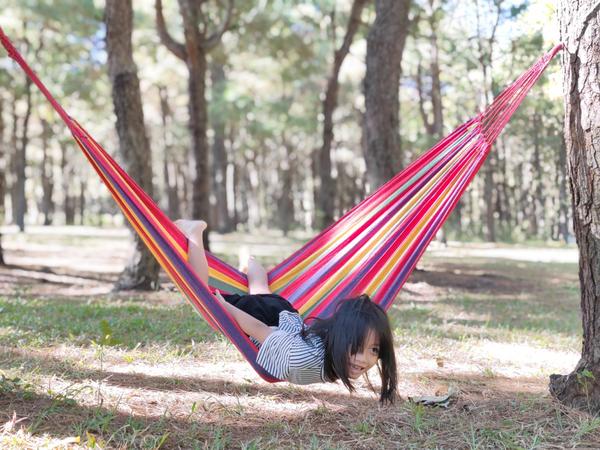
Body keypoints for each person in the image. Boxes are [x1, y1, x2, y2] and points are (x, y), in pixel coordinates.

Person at [175, 219, 398, 403]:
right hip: (265, 319)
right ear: (339, 338)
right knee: (201, 298)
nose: (365, 359)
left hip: (285, 317)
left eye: (375, 350)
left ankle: (251, 264)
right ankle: (195, 233)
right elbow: (258, 328)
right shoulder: (299, 358)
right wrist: (221, 306)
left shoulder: (332, 351)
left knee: (261, 292)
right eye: (358, 347)